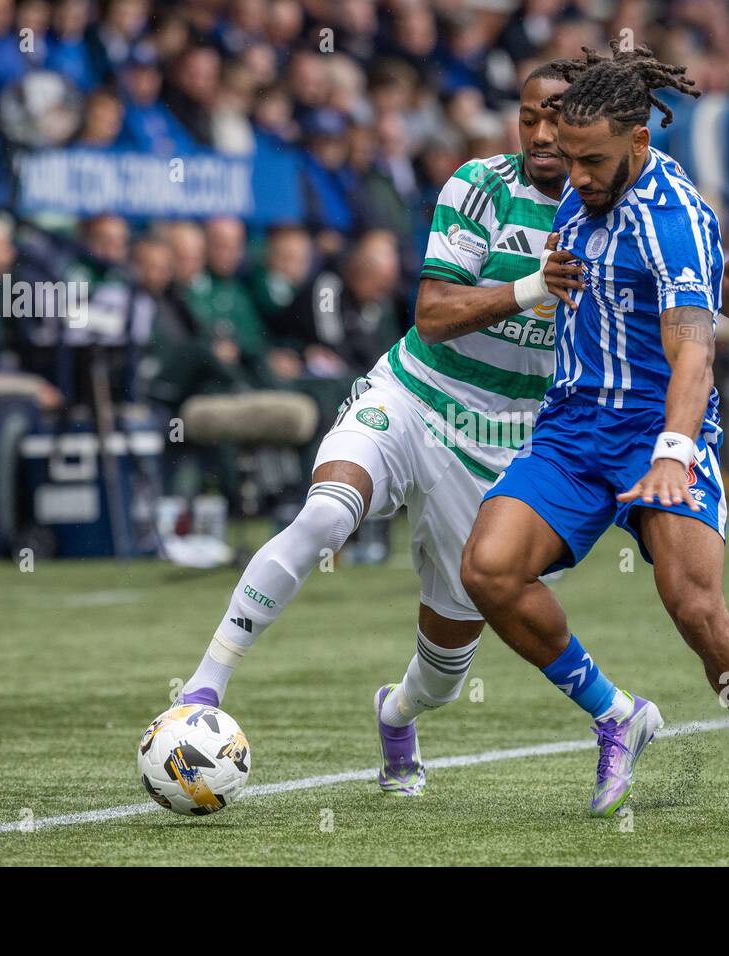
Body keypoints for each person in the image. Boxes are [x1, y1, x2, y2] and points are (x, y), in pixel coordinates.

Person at [176, 59, 586, 796]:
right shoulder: (480, 185)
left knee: (441, 678)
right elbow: (432, 312)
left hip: (499, 448)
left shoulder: (613, 213)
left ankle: (396, 716)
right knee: (328, 513)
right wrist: (533, 288)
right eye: (528, 116)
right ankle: (203, 688)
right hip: (417, 394)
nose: (540, 131)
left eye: (556, 115)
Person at [459, 42, 729, 823]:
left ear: (640, 143)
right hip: (570, 430)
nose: (576, 175)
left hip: (659, 430)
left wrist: (673, 452)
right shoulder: (582, 191)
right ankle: (617, 714)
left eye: (591, 161)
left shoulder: (672, 217)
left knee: (694, 607)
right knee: (489, 570)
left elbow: (698, 343)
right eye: (567, 158)